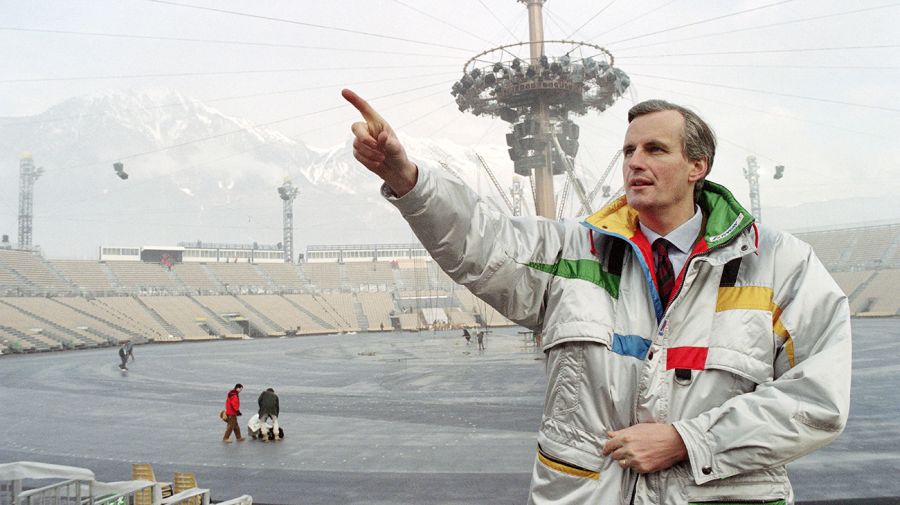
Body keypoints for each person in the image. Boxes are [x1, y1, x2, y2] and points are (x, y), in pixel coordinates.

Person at [343, 88, 851, 504]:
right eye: (628, 151)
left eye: (655, 149)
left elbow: (818, 399)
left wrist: (690, 441)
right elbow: (484, 241)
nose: (635, 163)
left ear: (698, 166)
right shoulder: (572, 253)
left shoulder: (783, 264)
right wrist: (406, 178)